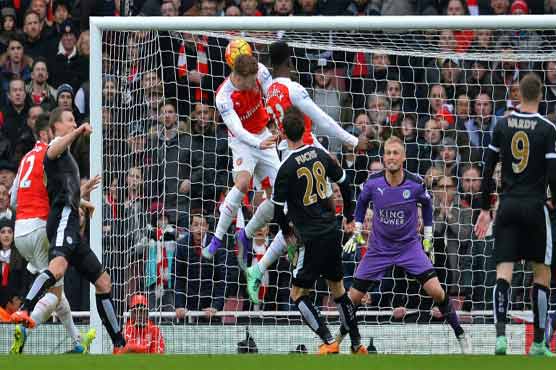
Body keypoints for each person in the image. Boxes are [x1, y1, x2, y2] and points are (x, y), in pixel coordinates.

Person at [242, 41, 368, 304]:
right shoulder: (295, 89)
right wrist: (353, 141)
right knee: (309, 214)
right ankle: (285, 265)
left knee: (296, 213)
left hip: (289, 155)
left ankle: (259, 249)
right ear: (291, 62)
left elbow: (262, 70)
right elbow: (323, 119)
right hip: (307, 157)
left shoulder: (270, 87)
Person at [10, 108, 127, 354]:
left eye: (75, 119)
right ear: (53, 129)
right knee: (57, 273)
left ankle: (117, 344)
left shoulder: (51, 158)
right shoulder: (52, 149)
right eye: (69, 120)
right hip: (55, 222)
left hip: (44, 224)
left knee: (103, 281)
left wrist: (82, 198)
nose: (74, 122)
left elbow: (49, 193)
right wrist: (79, 130)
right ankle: (25, 311)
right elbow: (53, 152)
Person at [341, 136, 471, 354]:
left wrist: (428, 237)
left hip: (409, 248)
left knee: (437, 292)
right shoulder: (373, 183)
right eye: (388, 153)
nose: (391, 157)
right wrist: (357, 230)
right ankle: (338, 339)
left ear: (403, 157)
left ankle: (460, 334)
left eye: (395, 153)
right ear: (383, 157)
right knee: (351, 298)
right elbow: (361, 203)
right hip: (379, 249)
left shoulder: (416, 183)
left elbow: (428, 207)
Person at [271, 106, 365, 354]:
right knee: (338, 290)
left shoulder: (286, 167)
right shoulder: (320, 154)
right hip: (332, 230)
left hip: (310, 237)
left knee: (297, 294)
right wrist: (348, 215)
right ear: (305, 129)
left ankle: (327, 340)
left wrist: (287, 233)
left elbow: (277, 209)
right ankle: (356, 343)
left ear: (283, 132)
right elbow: (344, 182)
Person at [474, 73, 556, 356]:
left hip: (507, 206)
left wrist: (485, 208)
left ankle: (500, 338)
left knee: (503, 273)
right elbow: (553, 173)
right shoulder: (547, 128)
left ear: (518, 94)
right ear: (541, 96)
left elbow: (486, 169)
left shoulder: (503, 124)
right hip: (535, 206)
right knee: (541, 275)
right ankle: (538, 343)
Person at [203, 53, 277, 259]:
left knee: (277, 195)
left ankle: (246, 234)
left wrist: (275, 120)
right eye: (251, 81)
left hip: (263, 134)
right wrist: (258, 143)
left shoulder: (259, 70)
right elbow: (238, 129)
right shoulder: (223, 96)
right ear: (240, 77)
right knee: (243, 183)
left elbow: (272, 94)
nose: (255, 84)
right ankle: (216, 239)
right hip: (242, 142)